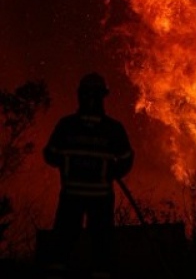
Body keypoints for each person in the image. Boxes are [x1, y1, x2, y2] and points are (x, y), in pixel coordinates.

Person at [43, 72, 134, 279]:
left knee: (64, 240)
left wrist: (67, 166)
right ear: (104, 97)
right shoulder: (112, 129)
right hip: (99, 197)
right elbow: (127, 158)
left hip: (71, 195)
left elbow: (50, 154)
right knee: (101, 242)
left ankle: (58, 270)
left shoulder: (66, 126)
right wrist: (112, 172)